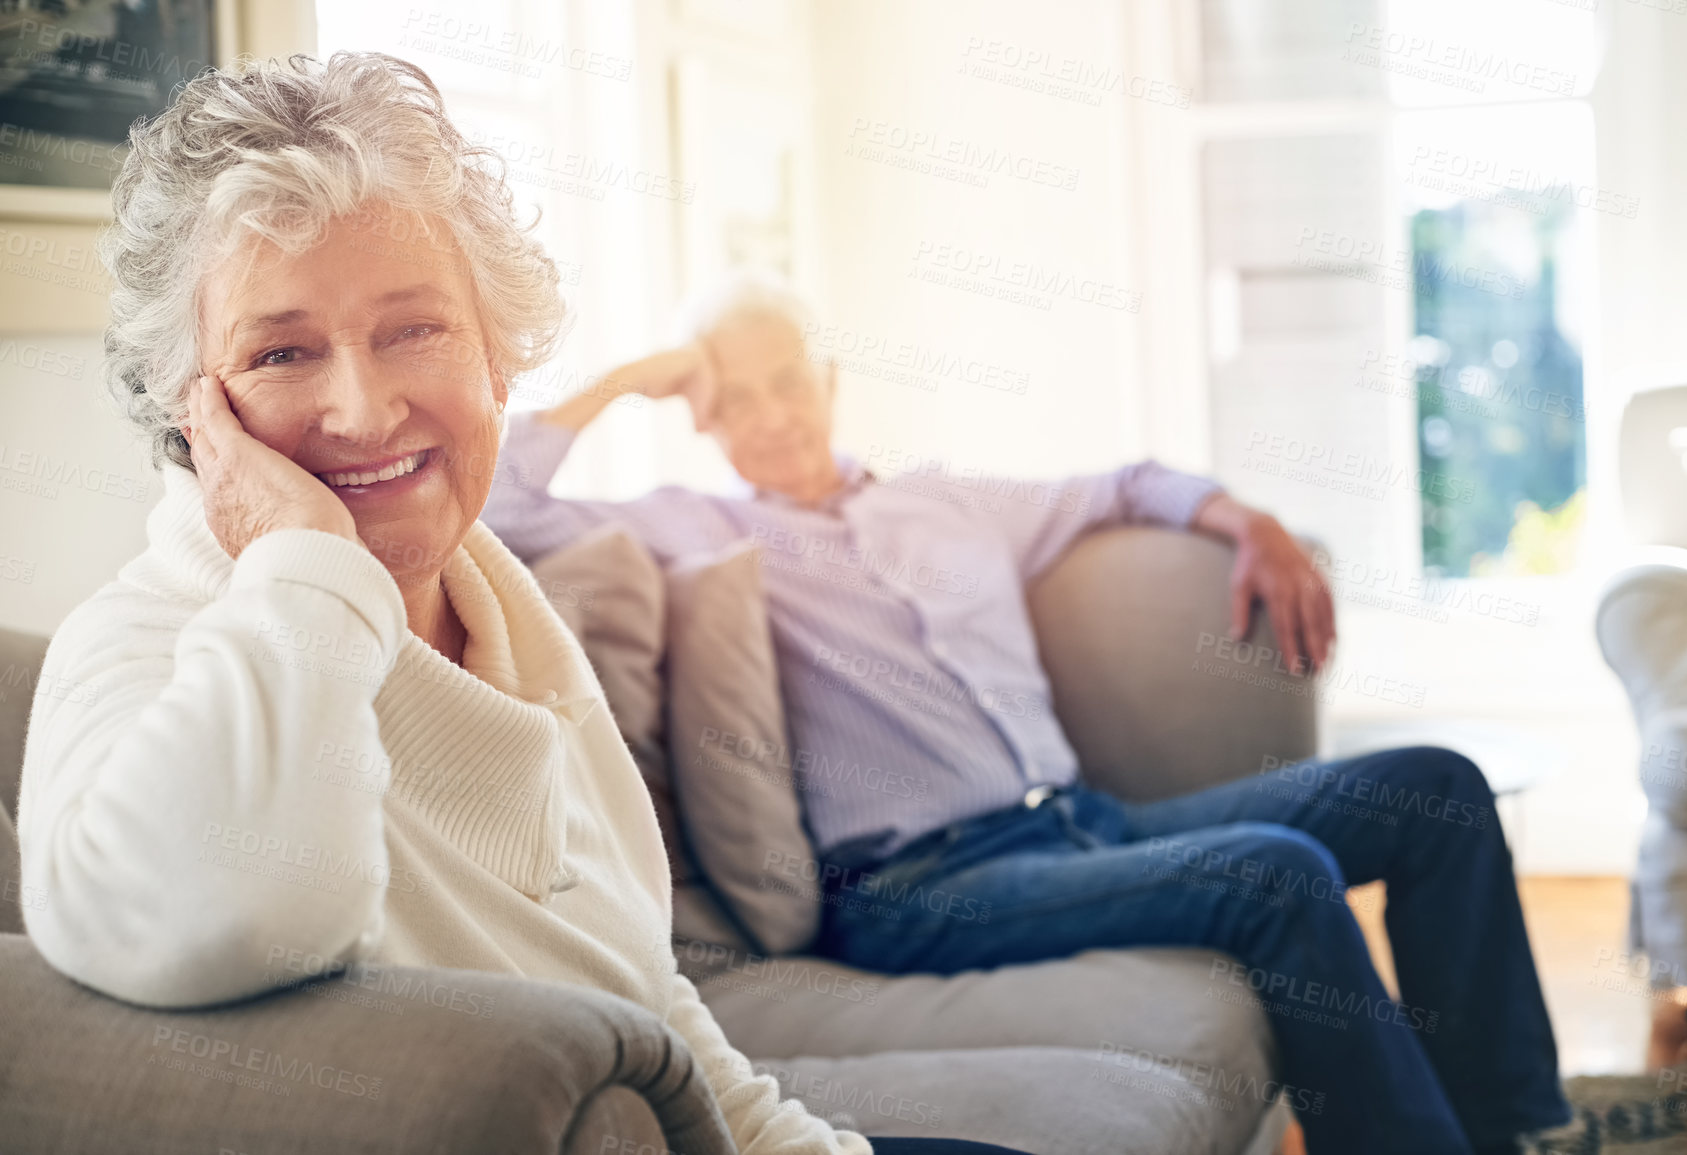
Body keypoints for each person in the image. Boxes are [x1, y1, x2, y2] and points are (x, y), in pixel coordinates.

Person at [13, 52, 1031, 1155]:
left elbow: (641, 984)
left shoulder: (499, 612)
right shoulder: (134, 652)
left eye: (416, 329)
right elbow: (234, 916)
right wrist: (306, 571)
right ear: (192, 410)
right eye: (281, 351)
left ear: (499, 358)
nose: (362, 409)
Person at [482, 274, 1575, 1155]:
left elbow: (1132, 483)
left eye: (788, 381)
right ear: (704, 421)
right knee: (1276, 872)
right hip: (918, 885)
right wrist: (627, 382)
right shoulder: (692, 525)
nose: (772, 416)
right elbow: (501, 503)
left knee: (1436, 789)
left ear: (828, 377)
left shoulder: (951, 501)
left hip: (1081, 826)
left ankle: (1517, 1129)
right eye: (737, 398)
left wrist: (1251, 521)